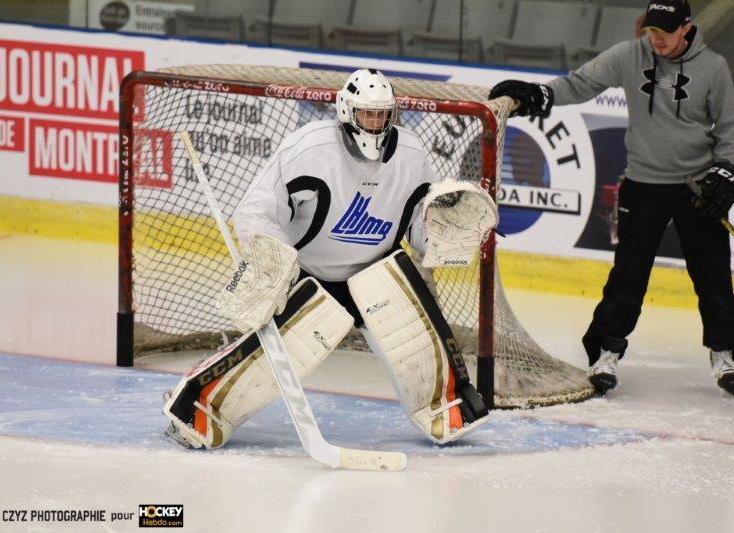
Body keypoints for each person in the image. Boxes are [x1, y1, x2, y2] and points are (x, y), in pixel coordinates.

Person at [161, 68, 499, 449]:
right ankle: (198, 406)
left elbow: (419, 231)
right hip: (312, 275)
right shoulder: (309, 149)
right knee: (272, 362)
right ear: (346, 111)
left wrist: (444, 231)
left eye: (382, 115)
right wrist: (272, 268)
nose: (374, 124)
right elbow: (257, 210)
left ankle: (447, 407)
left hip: (379, 270)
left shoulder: (411, 155)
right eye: (366, 114)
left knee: (419, 346)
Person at [489, 0, 734, 396]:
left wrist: (726, 172)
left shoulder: (713, 69)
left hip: (696, 187)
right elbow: (580, 84)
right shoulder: (630, 55)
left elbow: (730, 128)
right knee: (628, 275)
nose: (656, 39)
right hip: (643, 184)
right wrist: (538, 96)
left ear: (686, 29)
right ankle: (605, 352)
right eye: (651, 31)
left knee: (713, 275)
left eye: (665, 33)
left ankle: (725, 353)